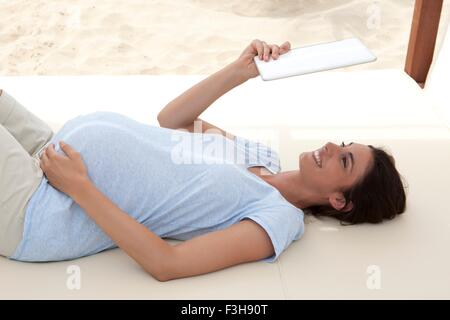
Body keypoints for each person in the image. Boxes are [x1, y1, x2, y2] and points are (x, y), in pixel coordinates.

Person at [0, 39, 407, 281]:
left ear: (340, 200)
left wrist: (80, 188)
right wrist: (239, 71)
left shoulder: (277, 218)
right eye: (343, 144)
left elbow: (167, 263)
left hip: (43, 210)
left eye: (345, 162)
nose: (332, 147)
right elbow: (173, 120)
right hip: (50, 153)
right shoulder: (260, 155)